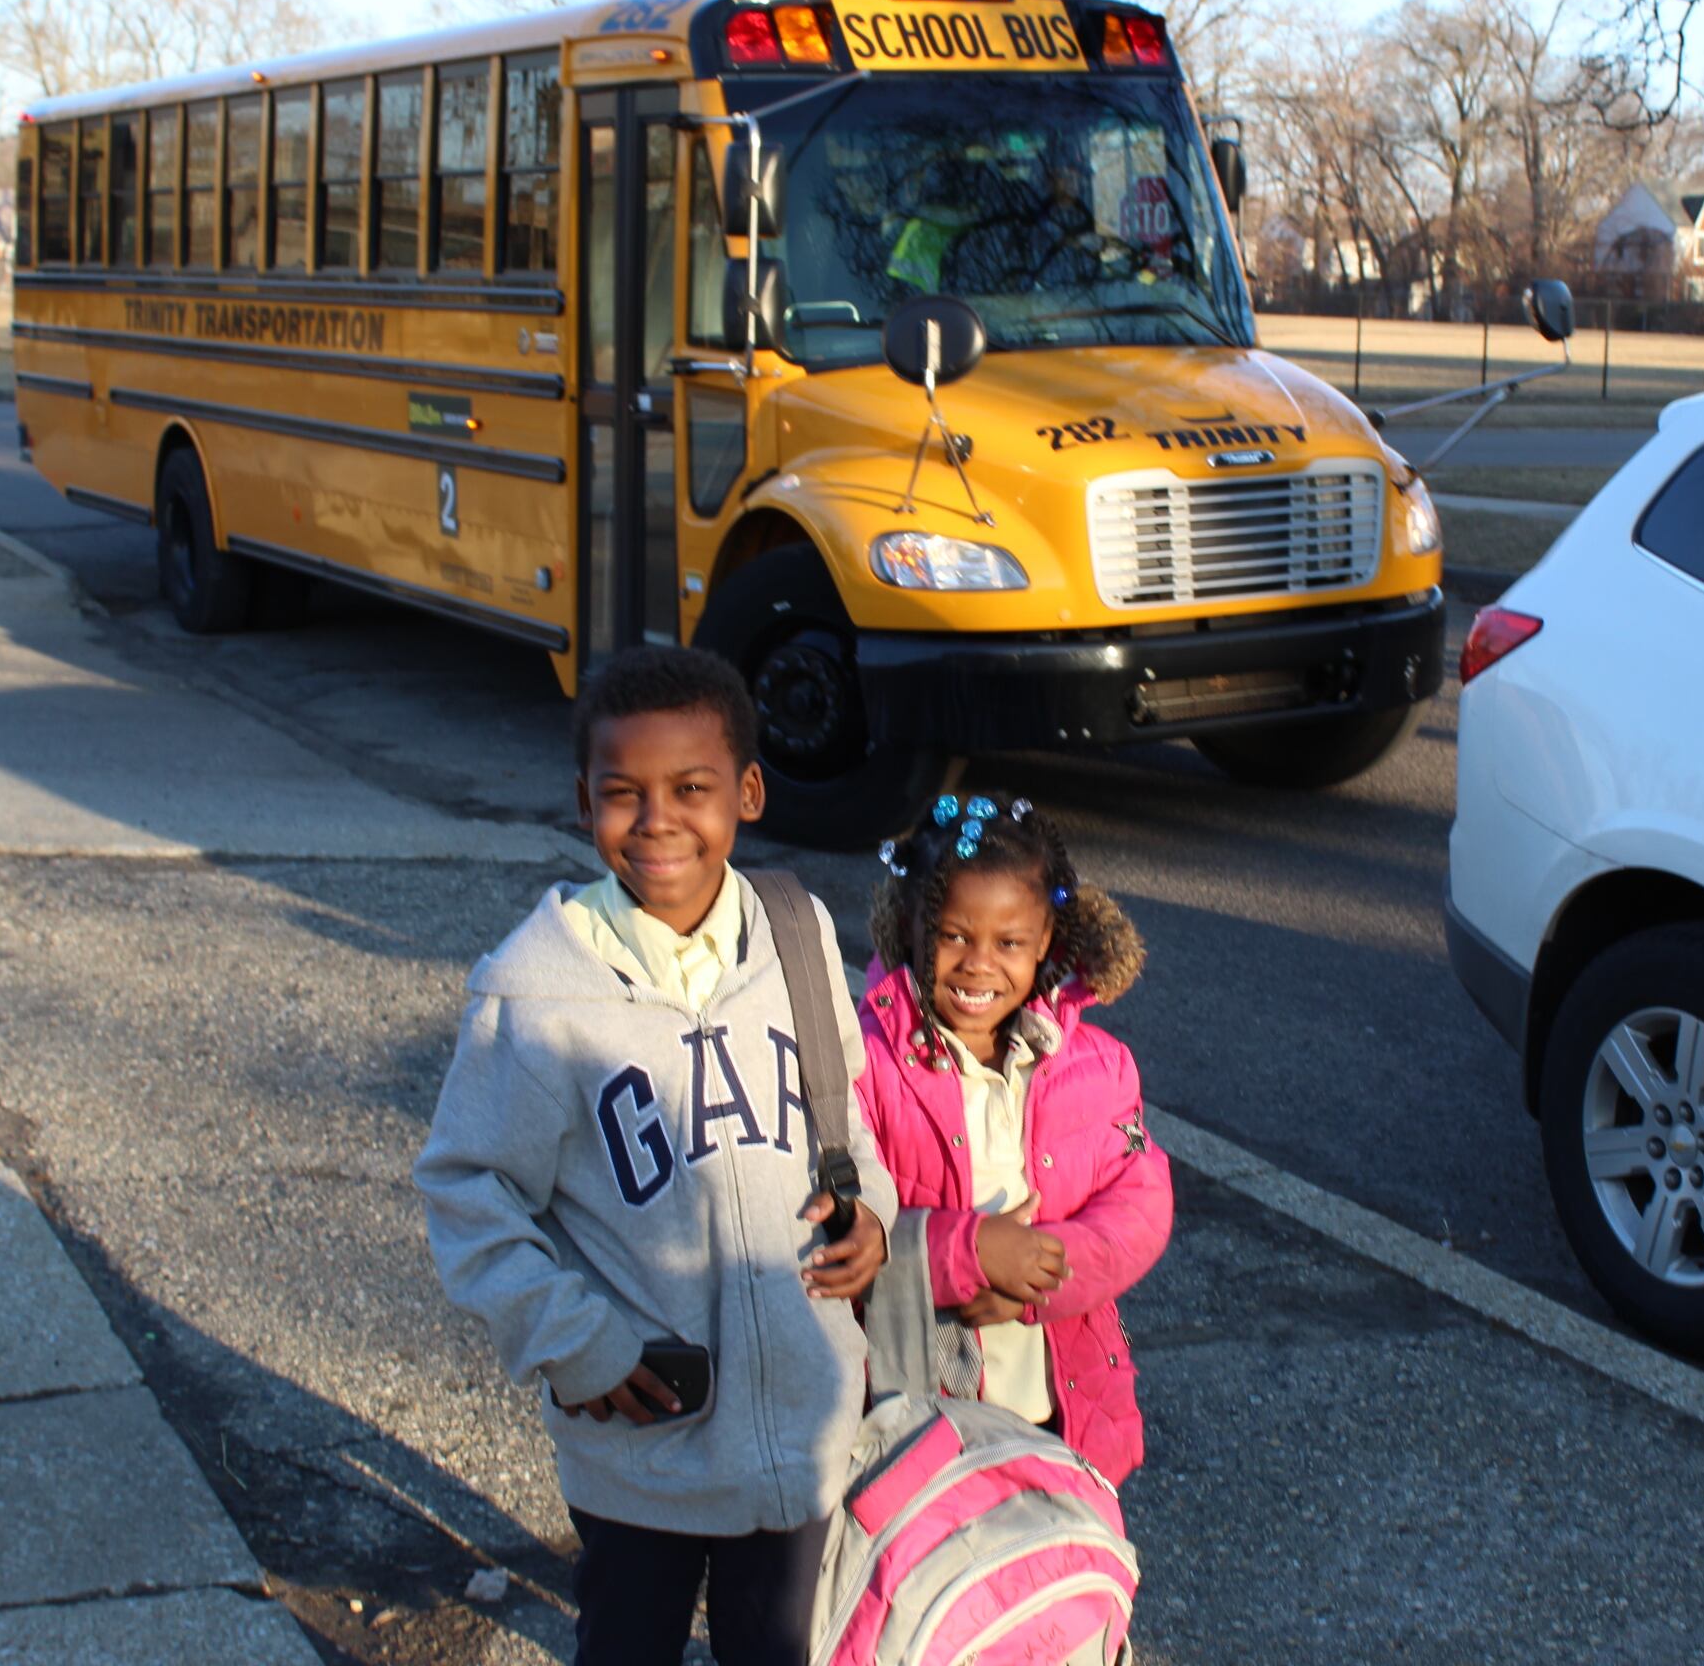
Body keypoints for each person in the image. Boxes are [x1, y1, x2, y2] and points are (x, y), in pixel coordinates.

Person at [414, 646, 895, 1666]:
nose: (659, 820)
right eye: (624, 793)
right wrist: (570, 1338)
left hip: (804, 1426)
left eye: (692, 789)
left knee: (779, 1649)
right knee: (629, 1645)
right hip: (649, 1447)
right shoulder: (537, 991)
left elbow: (844, 1120)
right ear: (585, 799)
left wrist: (871, 1215)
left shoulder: (796, 934)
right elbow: (467, 1189)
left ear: (748, 792)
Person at [851, 794, 1172, 1485]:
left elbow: (1139, 1209)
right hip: (914, 1416)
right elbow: (835, 1221)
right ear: (909, 926)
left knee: (1041, 1579)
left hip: (1060, 1408)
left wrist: (1043, 1277)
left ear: (1047, 944)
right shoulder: (861, 1064)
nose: (978, 965)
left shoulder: (1099, 1066)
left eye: (1009, 944)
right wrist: (968, 1255)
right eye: (954, 935)